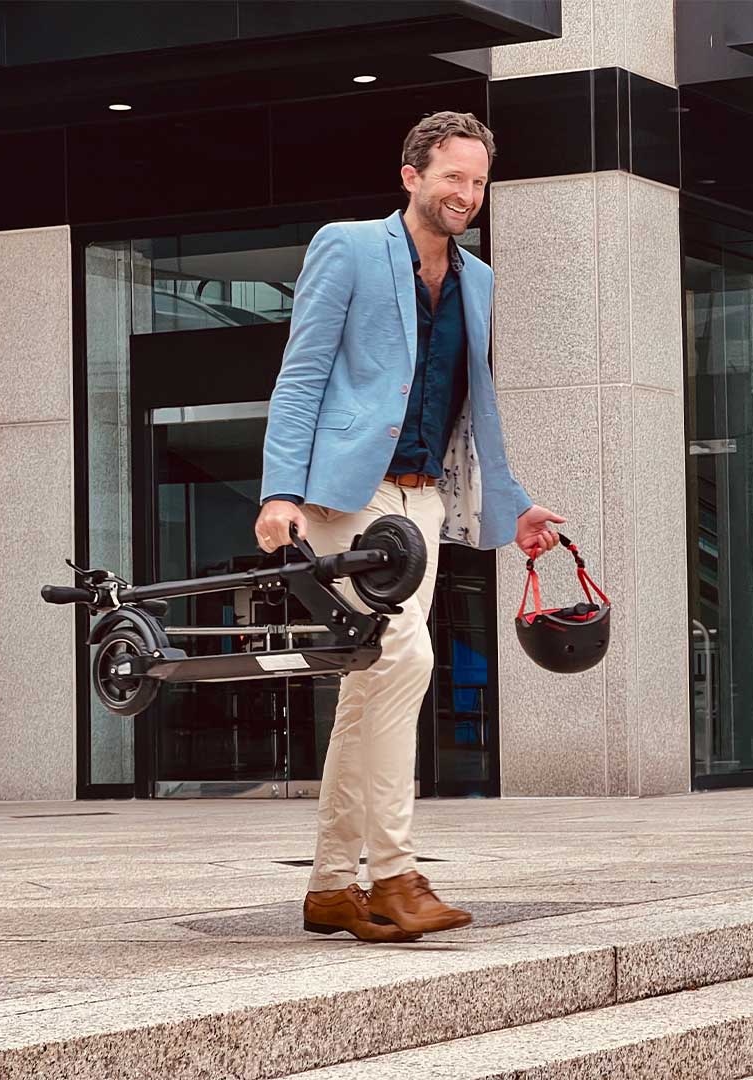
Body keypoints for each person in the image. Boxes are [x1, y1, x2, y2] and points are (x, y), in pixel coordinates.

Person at [254, 112, 563, 943]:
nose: (466, 195)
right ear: (412, 175)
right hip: (344, 497)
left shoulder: (479, 279)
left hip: (423, 500)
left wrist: (514, 502)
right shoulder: (349, 247)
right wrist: (280, 490)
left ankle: (328, 886)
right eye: (452, 177)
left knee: (374, 678)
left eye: (478, 183)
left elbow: (477, 407)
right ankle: (393, 873)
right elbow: (304, 373)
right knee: (405, 654)